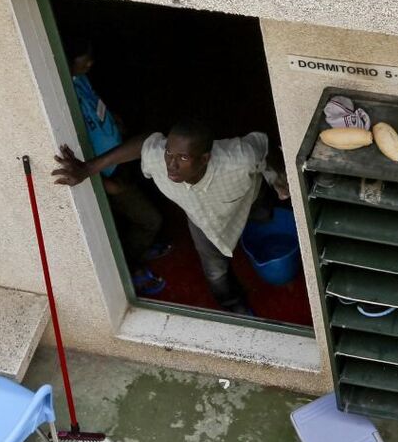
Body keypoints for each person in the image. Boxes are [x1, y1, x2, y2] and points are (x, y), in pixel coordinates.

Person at [52, 119, 290, 315]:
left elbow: (264, 145)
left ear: (205, 158)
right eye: (169, 153)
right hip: (204, 219)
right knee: (215, 269)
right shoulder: (159, 159)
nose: (171, 165)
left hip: (246, 197)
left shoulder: (238, 158)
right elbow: (145, 143)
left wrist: (279, 176)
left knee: (263, 215)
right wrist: (88, 168)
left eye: (183, 158)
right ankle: (232, 304)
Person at [66, 38, 171, 295]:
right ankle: (130, 268)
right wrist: (103, 182)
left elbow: (95, 107)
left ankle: (139, 249)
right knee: (149, 221)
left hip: (117, 159)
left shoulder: (79, 79)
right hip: (103, 175)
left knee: (134, 214)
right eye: (84, 59)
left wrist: (112, 121)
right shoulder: (62, 95)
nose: (91, 63)